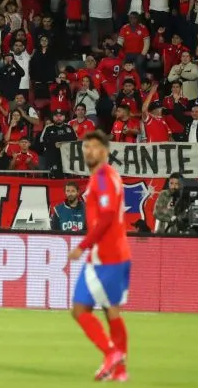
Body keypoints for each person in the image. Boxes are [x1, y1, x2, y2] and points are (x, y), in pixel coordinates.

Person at [68, 130, 131, 382]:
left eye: (94, 147)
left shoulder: (103, 178)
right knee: (111, 310)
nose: (88, 151)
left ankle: (111, 353)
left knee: (79, 309)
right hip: (117, 252)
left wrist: (83, 246)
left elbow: (106, 216)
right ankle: (121, 371)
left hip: (105, 255)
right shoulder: (111, 175)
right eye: (86, 147)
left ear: (105, 151)